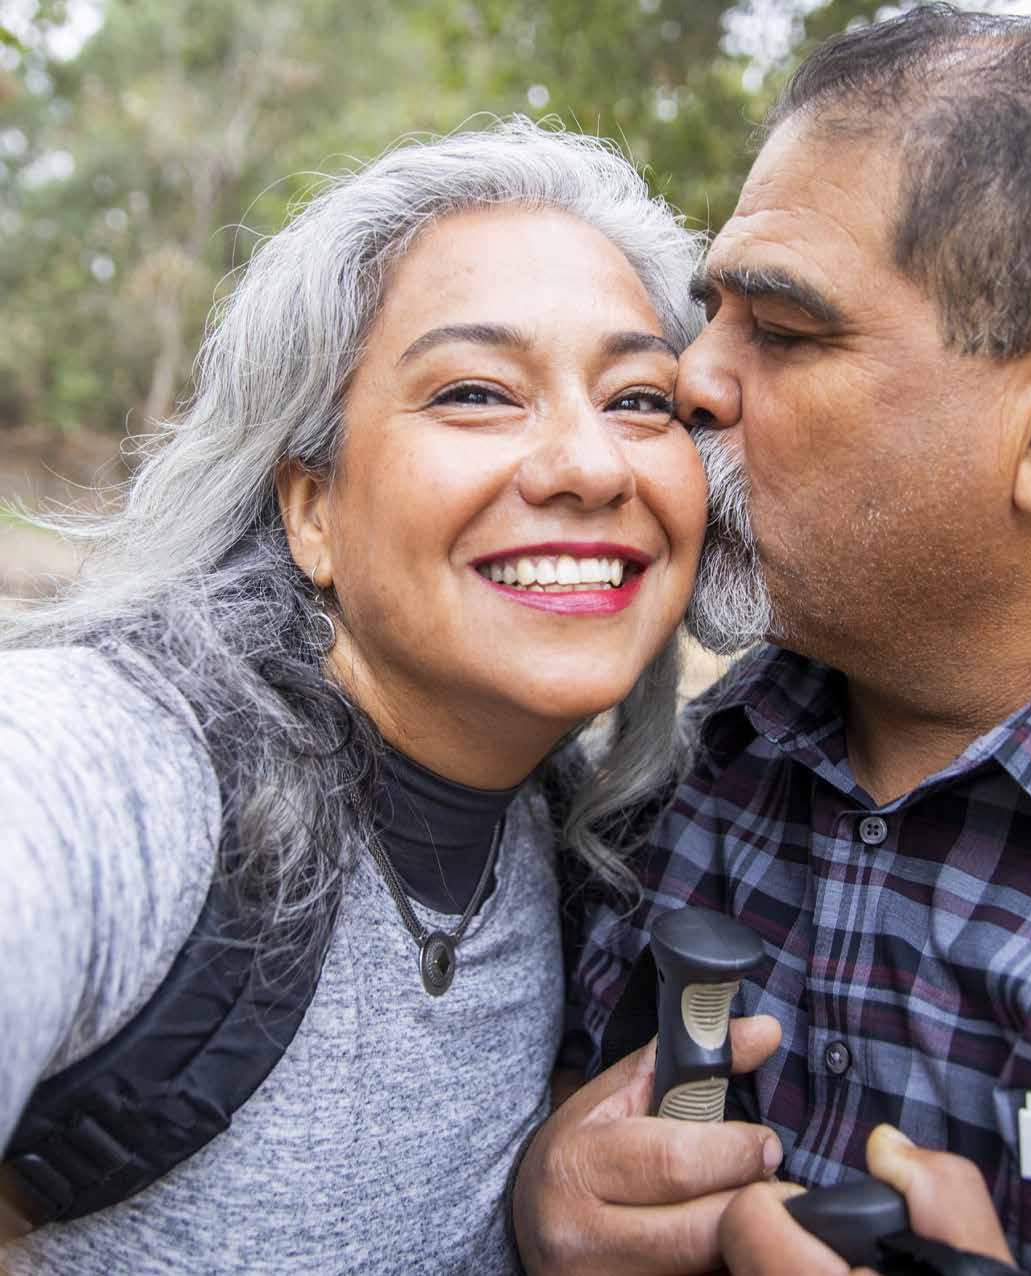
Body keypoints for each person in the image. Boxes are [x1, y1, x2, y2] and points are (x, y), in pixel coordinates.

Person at [514, 9, 1031, 1276]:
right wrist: (547, 1201)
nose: (691, 379)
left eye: (785, 329)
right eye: (713, 313)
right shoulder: (672, 785)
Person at [0, 118, 717, 1273]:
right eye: (477, 392)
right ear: (312, 509)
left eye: (640, 399)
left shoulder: (586, 846)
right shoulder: (122, 773)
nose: (591, 465)